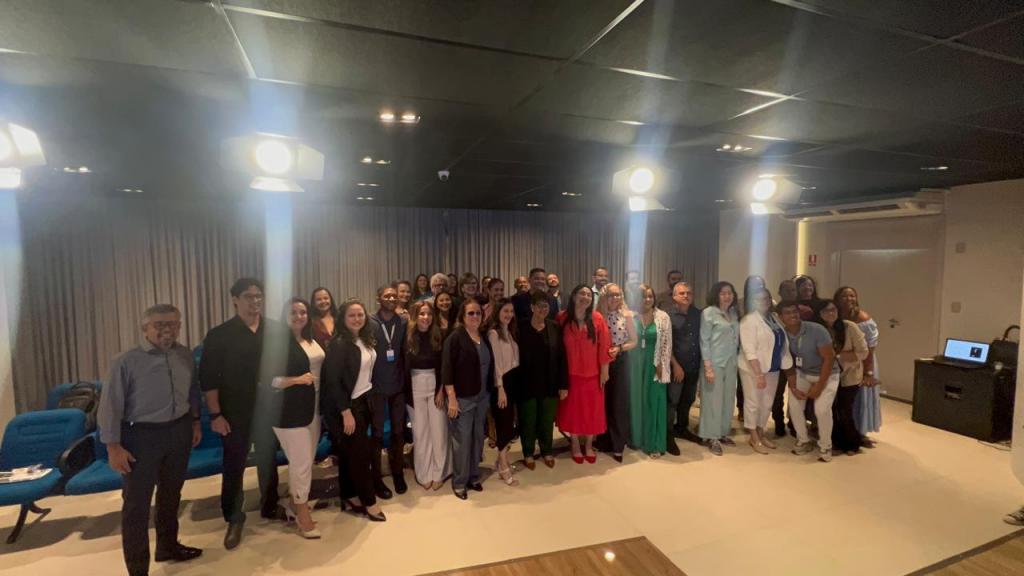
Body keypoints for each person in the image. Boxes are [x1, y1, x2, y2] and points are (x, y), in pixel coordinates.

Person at [98, 304, 202, 576]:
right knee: (137, 505)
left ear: (179, 326)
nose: (167, 330)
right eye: (159, 325)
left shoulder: (185, 355)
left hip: (178, 432)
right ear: (145, 329)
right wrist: (113, 447)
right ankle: (138, 569)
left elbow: (192, 391)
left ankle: (168, 547)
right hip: (141, 438)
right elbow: (110, 406)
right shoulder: (126, 361)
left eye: (172, 324)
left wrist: (194, 422)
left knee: (171, 495)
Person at [199, 277, 284, 550]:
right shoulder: (219, 335)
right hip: (234, 412)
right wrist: (215, 415)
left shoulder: (274, 329)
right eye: (249, 296)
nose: (255, 301)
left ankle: (270, 505)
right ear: (235, 300)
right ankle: (234, 517)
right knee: (234, 465)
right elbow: (208, 379)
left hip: (269, 410)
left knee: (268, 460)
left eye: (259, 296)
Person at [321, 300, 386, 522]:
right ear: (343, 318)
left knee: (349, 454)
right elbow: (333, 382)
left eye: (360, 315)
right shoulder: (340, 344)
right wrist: (345, 411)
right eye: (352, 315)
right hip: (347, 406)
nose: (357, 319)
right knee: (360, 456)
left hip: (363, 400)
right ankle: (370, 502)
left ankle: (349, 494)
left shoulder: (364, 338)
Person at [270, 298, 324, 538]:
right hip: (289, 412)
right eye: (293, 312)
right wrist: (296, 380)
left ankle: (294, 504)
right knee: (301, 464)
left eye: (303, 312)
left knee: (306, 461)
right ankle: (303, 515)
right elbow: (267, 380)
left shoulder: (310, 339)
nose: (299, 316)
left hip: (314, 407)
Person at [442, 299, 494, 500]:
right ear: (463, 316)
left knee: (477, 439)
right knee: (462, 442)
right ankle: (459, 482)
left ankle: (473, 476)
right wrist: (452, 399)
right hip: (462, 399)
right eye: (470, 313)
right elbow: (447, 370)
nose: (475, 317)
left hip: (481, 398)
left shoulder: (484, 337)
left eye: (478, 313)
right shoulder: (455, 338)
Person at [557, 285, 612, 464]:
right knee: (573, 411)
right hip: (570, 374)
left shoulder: (597, 318)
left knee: (592, 411)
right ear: (574, 296)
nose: (586, 297)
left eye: (589, 295)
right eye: (582, 293)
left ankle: (588, 444)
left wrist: (605, 370)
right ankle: (574, 443)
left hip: (593, 374)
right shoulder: (562, 317)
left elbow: (604, 345)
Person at [778, 300, 839, 462]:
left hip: (828, 374)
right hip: (803, 373)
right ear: (781, 317)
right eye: (787, 313)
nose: (792, 315)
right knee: (794, 405)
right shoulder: (783, 334)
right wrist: (793, 387)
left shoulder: (817, 330)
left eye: (794, 311)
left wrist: (819, 387)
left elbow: (829, 358)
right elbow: (788, 362)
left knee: (822, 409)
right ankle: (803, 440)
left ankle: (825, 445)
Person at [738, 288, 791, 454]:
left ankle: (761, 432)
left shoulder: (774, 318)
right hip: (753, 369)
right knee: (753, 402)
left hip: (773, 367)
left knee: (767, 402)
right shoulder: (748, 321)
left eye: (767, 298)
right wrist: (759, 374)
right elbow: (749, 350)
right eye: (759, 299)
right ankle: (753, 436)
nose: (764, 301)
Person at [812, 299, 868, 455]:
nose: (830, 313)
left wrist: (838, 356)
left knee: (844, 409)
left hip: (849, 375)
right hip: (827, 375)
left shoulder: (849, 327)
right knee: (829, 409)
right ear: (819, 313)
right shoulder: (818, 330)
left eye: (833, 310)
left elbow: (863, 352)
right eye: (826, 310)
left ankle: (852, 444)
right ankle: (836, 440)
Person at [517, 291, 566, 470]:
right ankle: (528, 453)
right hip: (526, 383)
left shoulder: (554, 327)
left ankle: (546, 450)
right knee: (528, 420)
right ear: (532, 307)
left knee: (546, 420)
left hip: (550, 383)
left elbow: (562, 358)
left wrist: (563, 385)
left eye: (546, 306)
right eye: (539, 306)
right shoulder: (520, 327)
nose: (543, 309)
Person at [404, 300, 449, 490]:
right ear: (415, 316)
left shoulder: (439, 335)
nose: (426, 317)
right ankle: (424, 473)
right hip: (414, 387)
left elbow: (445, 366)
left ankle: (439, 473)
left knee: (439, 431)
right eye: (422, 313)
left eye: (429, 314)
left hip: (435, 385)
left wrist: (441, 390)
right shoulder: (407, 337)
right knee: (420, 433)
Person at [368, 285, 408, 497]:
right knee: (376, 434)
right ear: (378, 298)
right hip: (375, 387)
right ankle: (376, 478)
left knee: (398, 432)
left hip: (398, 386)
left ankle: (398, 472)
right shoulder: (369, 322)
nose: (391, 298)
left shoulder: (403, 322)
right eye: (387, 295)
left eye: (394, 295)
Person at [835, 286, 882, 447]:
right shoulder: (835, 315)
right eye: (844, 296)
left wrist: (868, 372)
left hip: (863, 362)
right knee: (843, 401)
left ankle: (859, 433)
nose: (849, 299)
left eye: (852, 296)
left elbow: (869, 348)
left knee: (859, 399)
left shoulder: (863, 318)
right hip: (842, 363)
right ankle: (843, 432)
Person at [596, 283, 637, 462]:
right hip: (601, 361)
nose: (615, 298)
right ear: (604, 297)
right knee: (603, 401)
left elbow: (634, 340)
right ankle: (604, 440)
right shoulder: (598, 315)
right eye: (611, 295)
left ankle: (618, 444)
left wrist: (620, 348)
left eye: (618, 295)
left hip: (620, 361)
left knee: (619, 403)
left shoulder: (626, 315)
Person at [630, 285, 672, 457]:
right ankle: (636, 439)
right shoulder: (630, 316)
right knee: (636, 402)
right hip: (634, 365)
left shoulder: (663, 317)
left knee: (654, 401)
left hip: (654, 364)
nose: (647, 300)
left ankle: (654, 443)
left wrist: (662, 364)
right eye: (643, 296)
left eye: (650, 296)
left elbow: (667, 343)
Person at [699, 281, 740, 456]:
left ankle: (723, 432)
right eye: (723, 293)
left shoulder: (733, 312)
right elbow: (704, 340)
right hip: (714, 362)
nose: (727, 296)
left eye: (730, 293)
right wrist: (708, 367)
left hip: (731, 362)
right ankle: (711, 436)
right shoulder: (708, 313)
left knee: (728, 399)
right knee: (712, 401)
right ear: (716, 295)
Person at [486, 297, 521, 485]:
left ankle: (502, 459)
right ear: (498, 312)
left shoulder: (510, 331)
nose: (509, 314)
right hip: (502, 383)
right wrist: (500, 388)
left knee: (512, 424)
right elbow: (497, 364)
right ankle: (503, 462)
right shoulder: (494, 333)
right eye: (505, 311)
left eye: (511, 311)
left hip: (514, 379)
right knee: (504, 425)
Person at [667, 281, 702, 452]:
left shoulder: (699, 314)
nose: (686, 296)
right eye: (682, 293)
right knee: (672, 401)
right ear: (674, 296)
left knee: (688, 400)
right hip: (676, 368)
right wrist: (675, 365)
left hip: (694, 366)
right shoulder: (668, 316)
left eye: (689, 293)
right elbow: (666, 344)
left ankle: (682, 428)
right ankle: (668, 435)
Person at [772, 279, 799, 436]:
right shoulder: (773, 312)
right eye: (787, 290)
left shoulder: (802, 310)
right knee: (777, 394)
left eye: (793, 290)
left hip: (799, 361)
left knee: (796, 393)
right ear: (780, 292)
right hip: (780, 360)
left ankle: (795, 424)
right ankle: (779, 423)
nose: (790, 293)